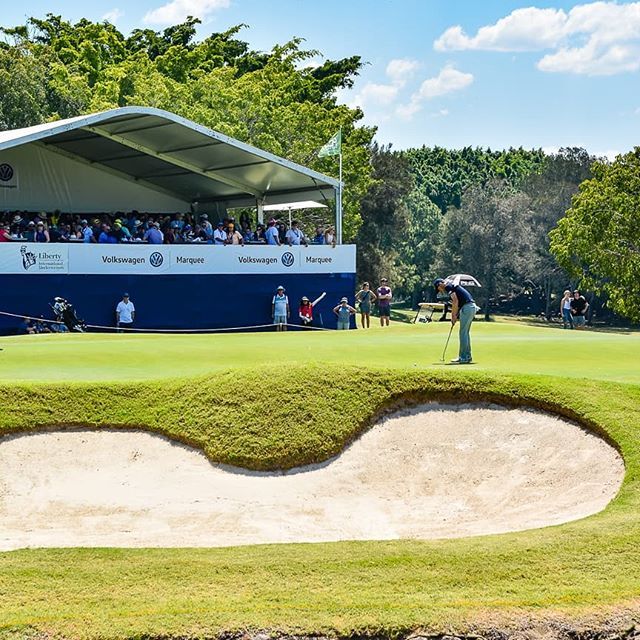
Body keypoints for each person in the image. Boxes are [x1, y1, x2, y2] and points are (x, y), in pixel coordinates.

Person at [434, 277, 478, 364]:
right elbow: (458, 302)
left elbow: (455, 301)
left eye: (438, 288)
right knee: (465, 333)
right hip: (470, 307)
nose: (440, 290)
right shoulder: (451, 285)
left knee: (463, 333)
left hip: (468, 307)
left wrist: (453, 316)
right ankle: (466, 356)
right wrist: (456, 314)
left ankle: (464, 357)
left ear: (440, 284)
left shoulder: (448, 286)